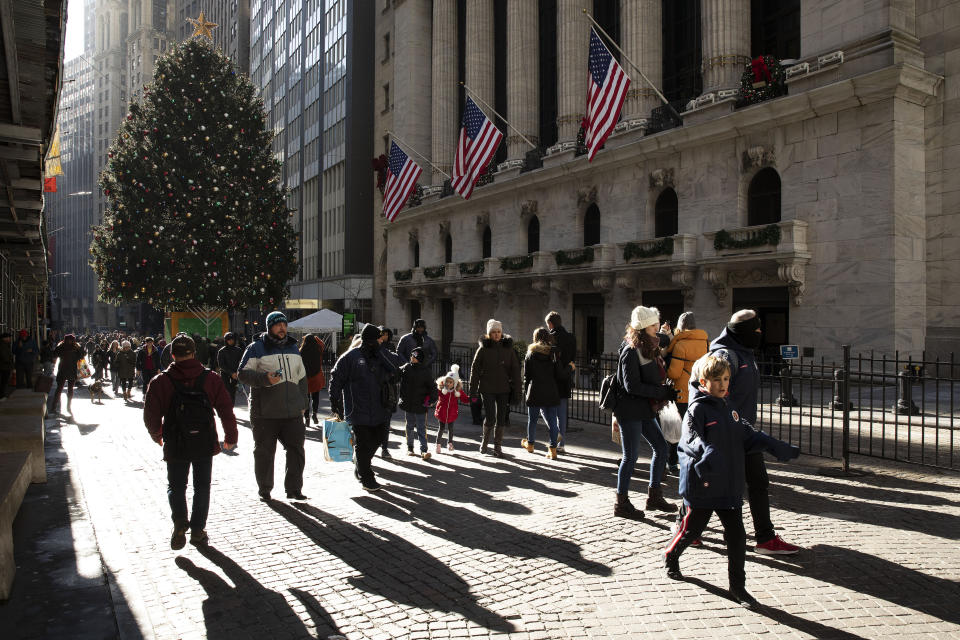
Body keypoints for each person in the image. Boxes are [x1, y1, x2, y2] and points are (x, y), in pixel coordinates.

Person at [664, 354, 799, 608]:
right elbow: (691, 441)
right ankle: (672, 555)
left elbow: (748, 435)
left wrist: (774, 445)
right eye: (717, 380)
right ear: (704, 381)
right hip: (703, 484)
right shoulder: (698, 409)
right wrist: (709, 454)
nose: (723, 384)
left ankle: (738, 587)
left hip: (729, 486)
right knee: (691, 530)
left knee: (737, 537)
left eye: (726, 379)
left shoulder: (731, 408)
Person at [709, 309, 801, 555]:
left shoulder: (746, 354)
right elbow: (715, 397)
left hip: (745, 433)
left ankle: (765, 538)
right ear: (742, 332)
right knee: (712, 485)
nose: (759, 334)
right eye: (756, 330)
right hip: (727, 434)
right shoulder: (725, 355)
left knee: (758, 483)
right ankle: (687, 529)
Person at [143, 335, 238, 549]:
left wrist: (157, 434)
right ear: (194, 353)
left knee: (176, 486)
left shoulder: (161, 381)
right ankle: (197, 530)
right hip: (204, 441)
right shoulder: (211, 378)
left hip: (175, 440)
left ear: (172, 355)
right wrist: (231, 437)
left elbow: (150, 414)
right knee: (202, 486)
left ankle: (179, 522)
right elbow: (225, 409)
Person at [612, 306, 679, 520]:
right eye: (653, 324)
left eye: (656, 323)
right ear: (642, 327)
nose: (657, 327)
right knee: (630, 457)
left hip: (646, 408)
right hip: (630, 409)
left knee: (660, 447)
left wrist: (664, 387)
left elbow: (666, 345)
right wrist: (661, 391)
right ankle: (621, 503)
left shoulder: (650, 346)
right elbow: (630, 386)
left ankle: (654, 496)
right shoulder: (631, 350)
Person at [238, 312, 310, 502]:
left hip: (293, 411)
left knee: (297, 450)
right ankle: (265, 489)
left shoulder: (294, 347)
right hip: (265, 412)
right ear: (269, 327)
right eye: (277, 325)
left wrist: (304, 403)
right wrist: (264, 379)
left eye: (284, 324)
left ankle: (294, 489)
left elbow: (302, 378)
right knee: (264, 453)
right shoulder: (256, 348)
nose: (282, 328)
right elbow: (242, 374)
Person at [328, 323, 404, 491]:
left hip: (380, 408)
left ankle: (361, 465)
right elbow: (336, 378)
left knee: (377, 439)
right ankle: (366, 476)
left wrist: (384, 358)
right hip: (358, 409)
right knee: (363, 443)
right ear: (370, 339)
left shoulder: (382, 355)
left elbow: (396, 372)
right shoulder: (351, 357)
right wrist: (335, 402)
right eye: (378, 338)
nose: (381, 340)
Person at [664, 312, 709, 475]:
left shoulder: (680, 345)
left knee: (676, 430)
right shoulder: (706, 343)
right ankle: (696, 459)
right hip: (700, 393)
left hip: (682, 393)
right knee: (696, 428)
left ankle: (673, 462)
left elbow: (674, 373)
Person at [469, 319, 521, 457]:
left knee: (501, 418)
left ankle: (498, 447)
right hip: (487, 389)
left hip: (504, 389)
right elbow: (474, 371)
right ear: (489, 334)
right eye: (493, 332)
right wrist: (472, 391)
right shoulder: (483, 349)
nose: (497, 335)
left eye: (499, 332)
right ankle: (485, 442)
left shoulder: (508, 349)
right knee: (490, 417)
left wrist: (517, 391)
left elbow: (515, 371)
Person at [519, 328, 565, 460]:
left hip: (535, 390)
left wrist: (526, 390)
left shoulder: (530, 354)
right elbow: (559, 373)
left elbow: (527, 376)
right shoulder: (553, 354)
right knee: (552, 420)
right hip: (551, 390)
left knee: (532, 420)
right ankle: (553, 449)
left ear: (535, 338)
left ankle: (531, 445)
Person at [398, 346, 437, 459]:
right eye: (411, 355)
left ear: (419, 358)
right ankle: (410, 448)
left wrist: (431, 400)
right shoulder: (407, 367)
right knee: (409, 426)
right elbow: (396, 373)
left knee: (421, 428)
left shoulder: (426, 372)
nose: (411, 358)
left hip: (421, 404)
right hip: (409, 403)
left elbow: (433, 387)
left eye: (414, 356)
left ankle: (423, 450)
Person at [545, 312, 577, 453]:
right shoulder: (571, 337)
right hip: (565, 377)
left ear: (550, 324)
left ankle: (555, 436)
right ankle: (562, 443)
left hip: (552, 378)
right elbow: (573, 358)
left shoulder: (550, 337)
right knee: (562, 412)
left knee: (550, 410)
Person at [434, 364, 468, 454]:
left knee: (451, 428)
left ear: (455, 383)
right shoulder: (441, 389)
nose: (448, 384)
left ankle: (450, 443)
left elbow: (464, 398)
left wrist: (471, 399)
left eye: (450, 382)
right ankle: (438, 444)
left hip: (452, 413)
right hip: (442, 412)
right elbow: (434, 396)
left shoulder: (457, 391)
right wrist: (428, 401)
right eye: (447, 382)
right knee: (441, 428)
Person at [49, 334, 85, 414]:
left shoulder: (62, 346)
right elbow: (82, 355)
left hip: (64, 370)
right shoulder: (75, 347)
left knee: (60, 389)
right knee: (68, 389)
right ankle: (66, 407)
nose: (69, 342)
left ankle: (55, 407)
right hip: (70, 370)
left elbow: (54, 354)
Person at [297, 333, 326, 424]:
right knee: (315, 397)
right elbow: (322, 344)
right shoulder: (318, 350)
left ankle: (307, 418)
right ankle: (315, 414)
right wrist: (316, 338)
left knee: (306, 398)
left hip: (305, 378)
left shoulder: (301, 351)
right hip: (316, 377)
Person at [217, 332, 243, 407]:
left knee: (232, 391)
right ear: (226, 341)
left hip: (235, 374)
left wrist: (238, 372)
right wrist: (231, 373)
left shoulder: (238, 350)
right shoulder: (222, 351)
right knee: (226, 390)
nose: (231, 341)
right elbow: (221, 365)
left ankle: (231, 407)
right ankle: (227, 406)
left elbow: (241, 362)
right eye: (229, 340)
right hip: (225, 374)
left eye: (232, 340)